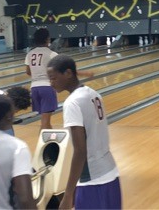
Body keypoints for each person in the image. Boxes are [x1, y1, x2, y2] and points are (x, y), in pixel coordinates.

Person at [47, 54, 121, 210]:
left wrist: (68, 195)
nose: (51, 83)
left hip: (92, 180)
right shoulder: (93, 93)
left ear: (68, 73)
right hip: (110, 172)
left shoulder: (72, 103)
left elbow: (80, 151)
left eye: (53, 78)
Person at [25, 28, 59, 130]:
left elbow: (28, 72)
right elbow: (58, 72)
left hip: (34, 88)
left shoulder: (30, 54)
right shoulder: (52, 54)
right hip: (47, 88)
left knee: (46, 122)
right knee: (45, 122)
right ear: (47, 39)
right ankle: (43, 141)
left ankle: (48, 140)